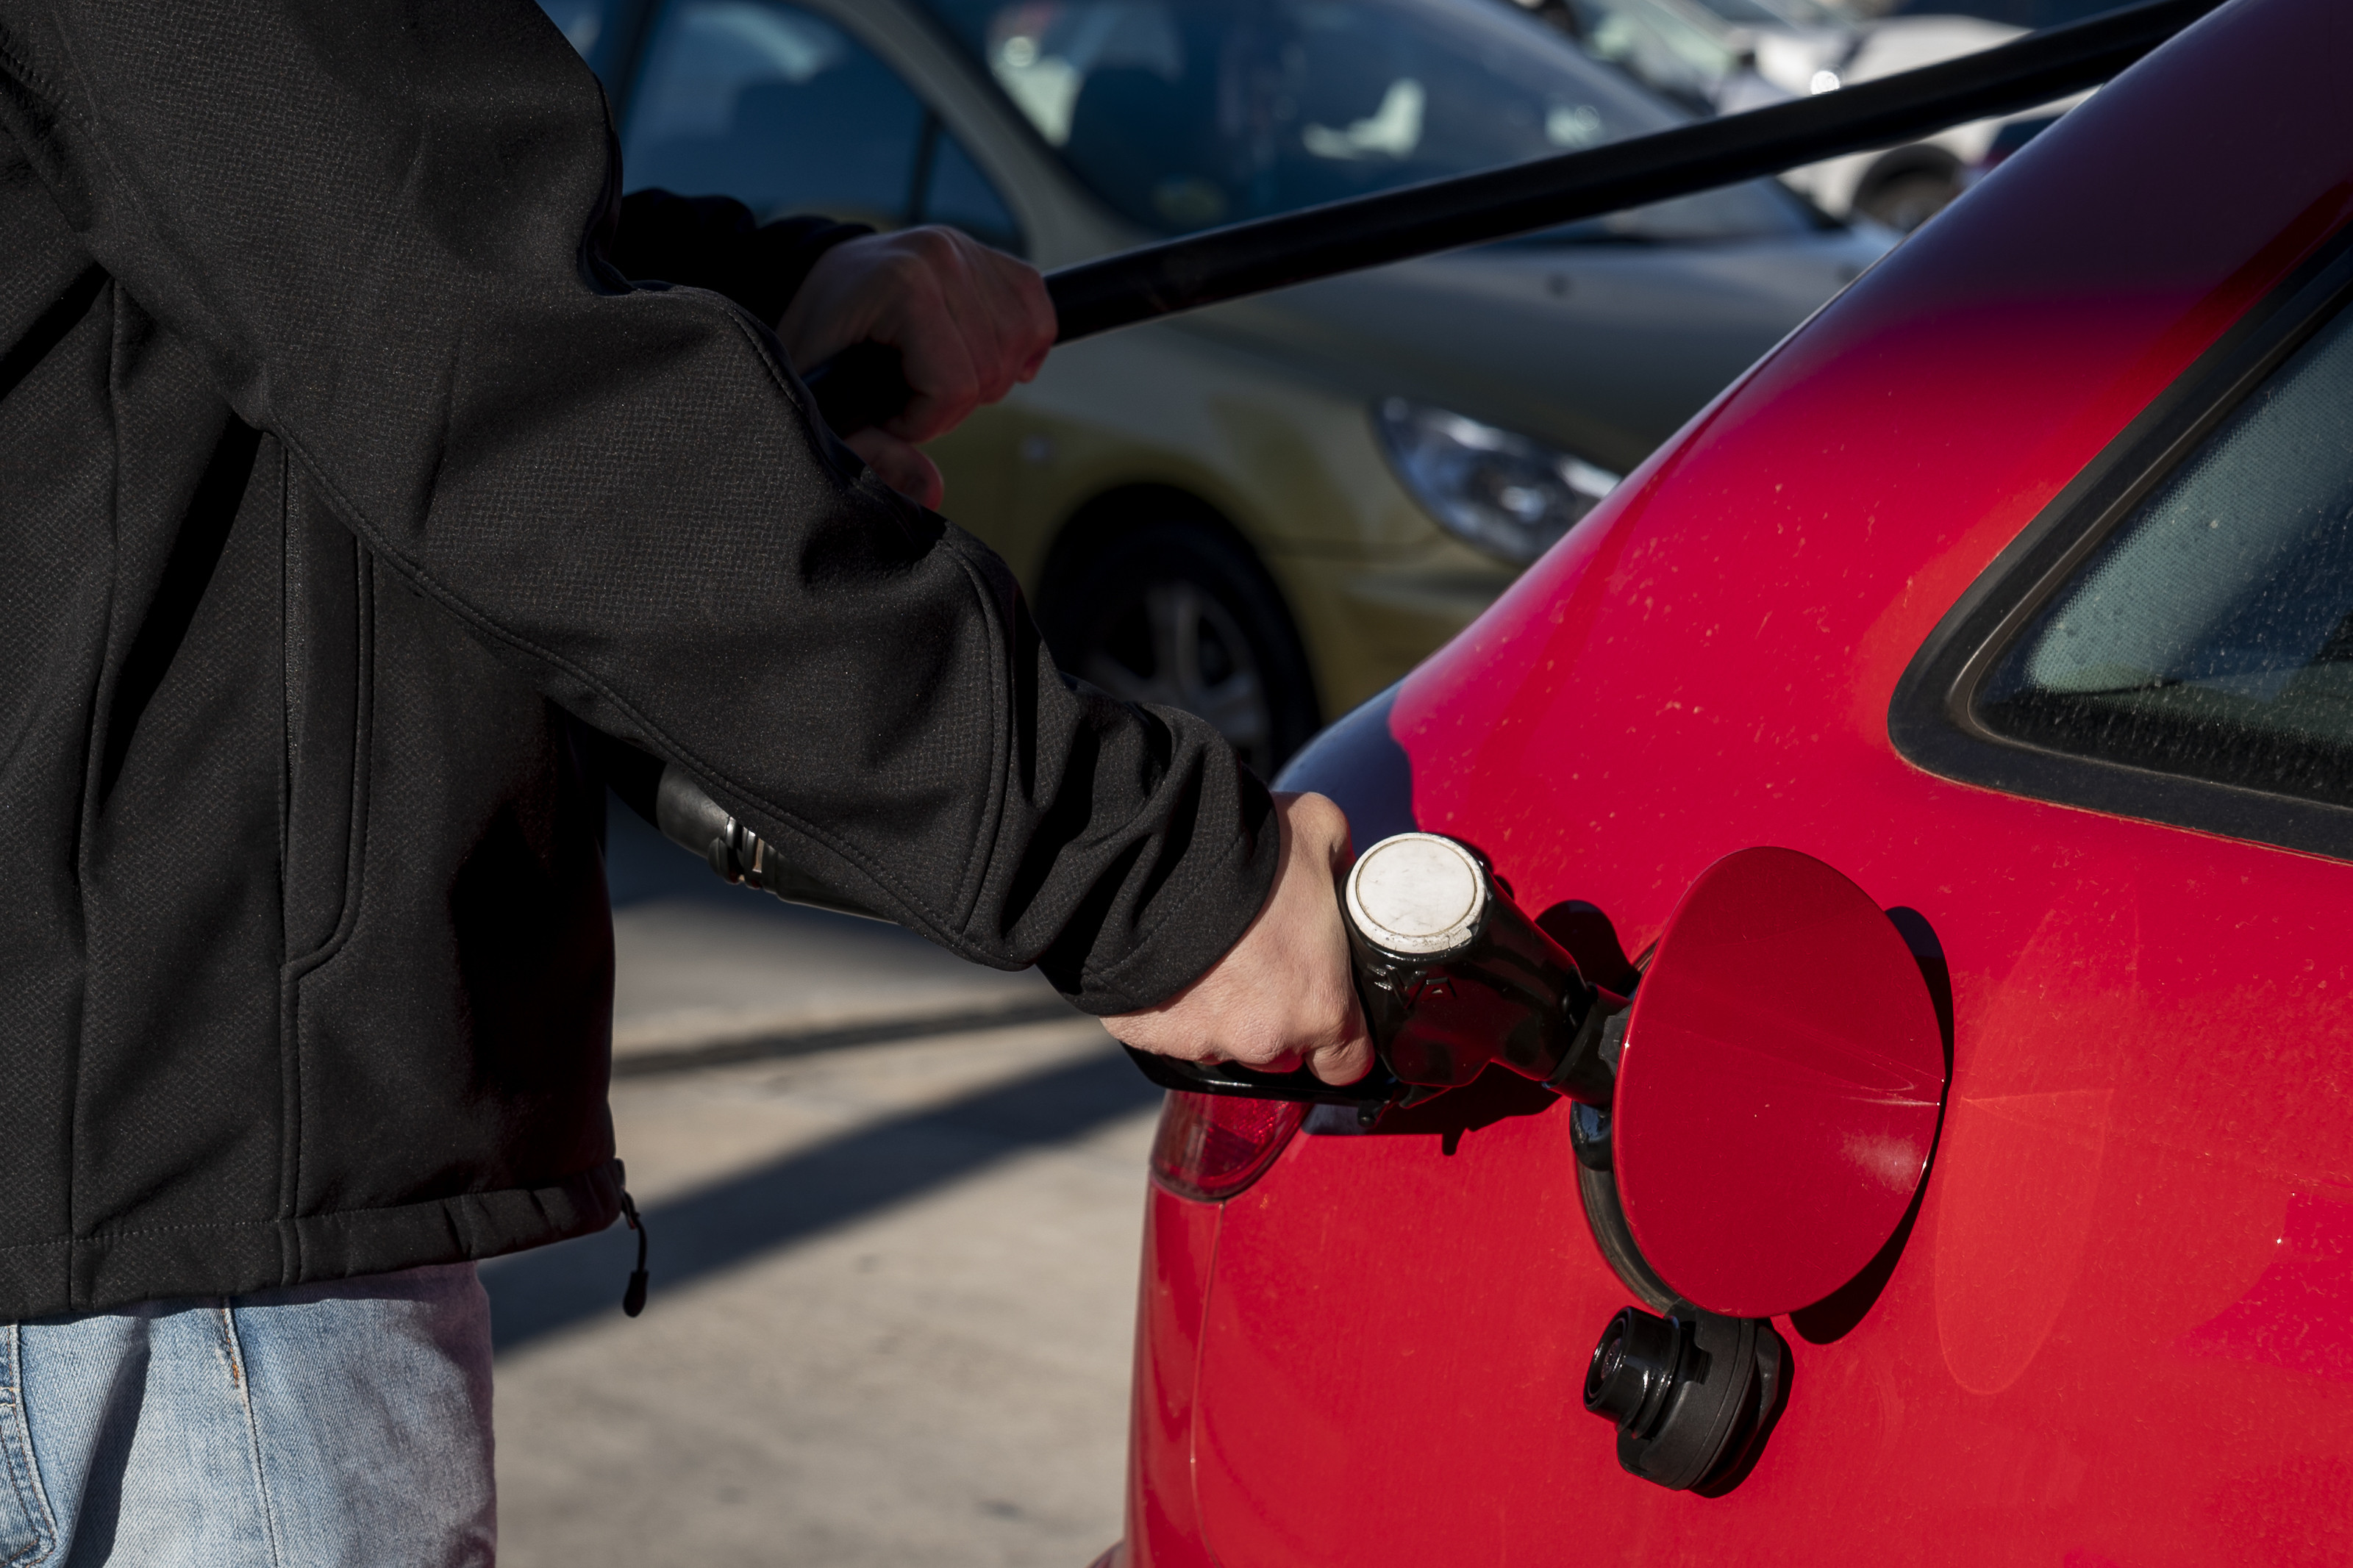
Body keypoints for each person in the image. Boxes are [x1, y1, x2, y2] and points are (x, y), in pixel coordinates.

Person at [0, 2, 1369, 1561]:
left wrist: (767, 292)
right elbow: (489, 380)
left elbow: (291, 217)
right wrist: (1149, 880)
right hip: (163, 1275)